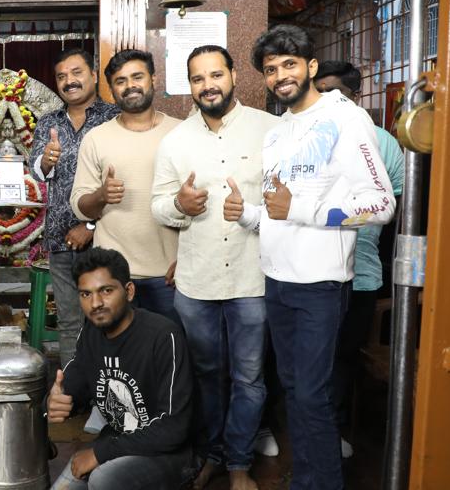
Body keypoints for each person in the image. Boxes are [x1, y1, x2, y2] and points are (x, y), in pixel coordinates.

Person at [225, 25, 396, 490]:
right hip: (277, 281)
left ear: (311, 67)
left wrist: (300, 209)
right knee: (295, 392)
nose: (281, 76)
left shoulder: (345, 118)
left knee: (312, 397)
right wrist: (247, 214)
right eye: (271, 69)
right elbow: (277, 214)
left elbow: (381, 205)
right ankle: (306, 479)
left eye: (289, 64)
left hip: (321, 285)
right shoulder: (278, 132)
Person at [151, 45, 280, 490]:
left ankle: (239, 463)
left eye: (216, 75)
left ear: (233, 76)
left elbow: (289, 200)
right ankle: (211, 455)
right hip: (197, 282)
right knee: (204, 376)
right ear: (189, 85)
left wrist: (254, 211)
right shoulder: (175, 141)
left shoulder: (270, 131)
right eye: (198, 78)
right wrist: (179, 205)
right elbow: (158, 206)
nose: (208, 85)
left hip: (252, 278)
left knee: (249, 377)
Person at [313, 60, 404, 458]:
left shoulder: (383, 143)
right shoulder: (307, 136)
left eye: (333, 92)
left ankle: (332, 433)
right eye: (319, 91)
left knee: (342, 359)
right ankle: (312, 432)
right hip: (311, 270)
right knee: (310, 360)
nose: (324, 99)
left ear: (356, 95)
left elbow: (394, 208)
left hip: (361, 273)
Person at [47, 248, 192, 489]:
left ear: (129, 291)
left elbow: (173, 429)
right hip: (119, 442)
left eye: (106, 291)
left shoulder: (164, 336)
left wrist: (100, 453)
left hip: (171, 454)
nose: (95, 303)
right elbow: (72, 386)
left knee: (102, 480)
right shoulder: (91, 334)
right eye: (86, 294)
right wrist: (56, 401)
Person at [70, 49, 181, 324]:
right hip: (112, 276)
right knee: (114, 350)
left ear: (153, 79)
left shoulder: (181, 133)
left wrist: (189, 260)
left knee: (170, 347)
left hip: (170, 274)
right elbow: (81, 207)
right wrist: (101, 196)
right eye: (120, 81)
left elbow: (202, 205)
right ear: (111, 89)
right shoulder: (96, 138)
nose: (130, 85)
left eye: (137, 77)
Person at [30, 48, 119, 368]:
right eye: (62, 76)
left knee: (109, 320)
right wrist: (46, 161)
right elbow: (37, 172)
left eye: (77, 73)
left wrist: (91, 226)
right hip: (60, 240)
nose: (69, 81)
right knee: (69, 322)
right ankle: (74, 388)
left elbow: (124, 180)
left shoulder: (114, 118)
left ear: (93, 75)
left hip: (107, 239)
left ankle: (109, 390)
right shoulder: (49, 122)